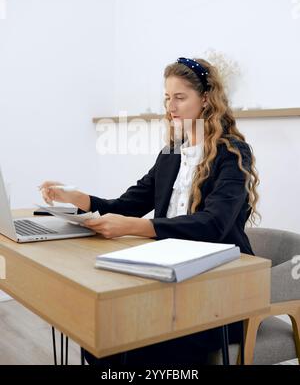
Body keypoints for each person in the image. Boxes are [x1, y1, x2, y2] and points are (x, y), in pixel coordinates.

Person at [39, 57, 260, 367]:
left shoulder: (233, 153)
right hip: (171, 280)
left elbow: (214, 224)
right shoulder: (171, 153)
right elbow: (128, 205)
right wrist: (79, 197)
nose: (171, 106)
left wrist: (133, 227)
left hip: (218, 290)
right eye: (167, 97)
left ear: (206, 99)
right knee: (101, 340)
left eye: (180, 97)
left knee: (139, 348)